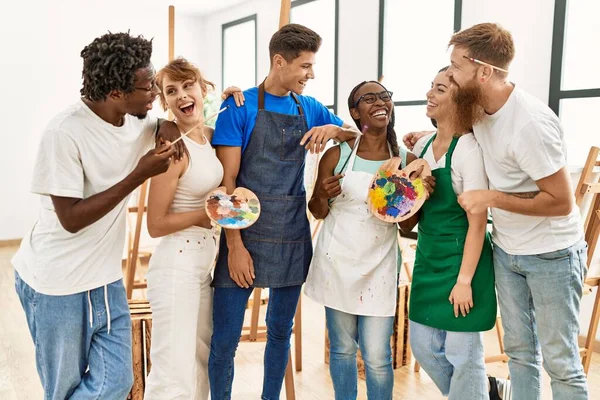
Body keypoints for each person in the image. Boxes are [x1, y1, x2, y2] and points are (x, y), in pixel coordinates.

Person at [405, 23, 588, 400]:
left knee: (561, 363)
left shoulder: (531, 124)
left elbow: (561, 202)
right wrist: (419, 137)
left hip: (551, 254)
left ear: (484, 71)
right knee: (519, 355)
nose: (450, 74)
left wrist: (491, 198)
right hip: (507, 249)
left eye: (456, 66)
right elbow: (449, 133)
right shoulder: (479, 109)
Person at [11, 32, 184, 399]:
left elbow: (159, 126)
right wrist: (138, 175)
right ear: (116, 94)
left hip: (104, 279)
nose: (154, 93)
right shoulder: (64, 133)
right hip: (55, 283)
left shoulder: (136, 118)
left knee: (118, 381)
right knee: (63, 389)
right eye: (146, 87)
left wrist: (168, 125)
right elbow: (70, 218)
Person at [208, 23, 361, 400]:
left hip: (292, 231)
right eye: (306, 66)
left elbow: (357, 135)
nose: (311, 74)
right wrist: (236, 246)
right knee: (225, 340)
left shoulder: (307, 107)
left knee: (280, 333)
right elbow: (227, 183)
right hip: (244, 233)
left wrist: (332, 128)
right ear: (280, 61)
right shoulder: (238, 106)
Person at [305, 80, 431, 399]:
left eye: (385, 96)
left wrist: (420, 197)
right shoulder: (336, 155)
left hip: (380, 266)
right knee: (343, 350)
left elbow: (405, 227)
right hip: (338, 264)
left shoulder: (405, 159)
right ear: (354, 112)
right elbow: (318, 212)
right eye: (369, 98)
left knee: (377, 356)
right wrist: (321, 193)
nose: (380, 102)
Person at [144, 58, 244, 400]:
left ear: (204, 90)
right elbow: (155, 224)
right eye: (171, 91)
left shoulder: (210, 138)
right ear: (165, 102)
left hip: (204, 264)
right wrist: (202, 216)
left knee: (202, 362)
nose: (182, 95)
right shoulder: (172, 149)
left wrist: (232, 101)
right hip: (176, 264)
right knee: (172, 373)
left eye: (188, 86)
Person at [406, 67, 498, 400]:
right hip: (429, 257)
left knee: (463, 354)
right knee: (423, 346)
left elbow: (478, 224)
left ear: (458, 100)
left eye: (440, 89)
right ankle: (485, 391)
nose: (430, 94)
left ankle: (476, 391)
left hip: (464, 261)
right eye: (431, 87)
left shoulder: (468, 150)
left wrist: (464, 282)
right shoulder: (425, 146)